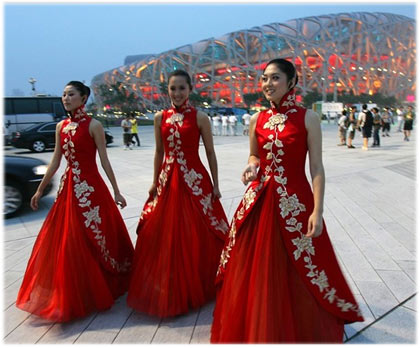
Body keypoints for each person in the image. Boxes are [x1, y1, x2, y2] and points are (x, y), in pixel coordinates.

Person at [211, 59, 364, 343]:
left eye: (275, 78)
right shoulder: (257, 119)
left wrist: (317, 210)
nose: (268, 84)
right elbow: (254, 155)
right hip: (259, 201)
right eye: (265, 78)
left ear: (292, 82)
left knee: (302, 265)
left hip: (296, 202)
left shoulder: (308, 118)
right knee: (257, 266)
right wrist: (252, 166)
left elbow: (316, 168)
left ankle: (301, 323)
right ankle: (261, 323)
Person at [16, 81, 134, 322]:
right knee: (69, 239)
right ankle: (75, 288)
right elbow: (55, 161)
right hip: (68, 189)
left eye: (71, 94)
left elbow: (104, 161)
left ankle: (101, 285)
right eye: (63, 95)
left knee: (96, 236)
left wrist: (117, 191)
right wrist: (39, 190)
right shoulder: (61, 126)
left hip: (92, 190)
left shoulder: (94, 126)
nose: (66, 98)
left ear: (84, 98)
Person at [127, 70, 228, 318]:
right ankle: (167, 284)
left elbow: (211, 153)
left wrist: (215, 184)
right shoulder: (160, 117)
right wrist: (154, 182)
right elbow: (159, 153)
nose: (177, 93)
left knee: (197, 231)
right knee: (164, 232)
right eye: (173, 88)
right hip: (167, 180)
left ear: (190, 89)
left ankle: (202, 281)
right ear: (168, 91)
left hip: (194, 180)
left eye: (182, 88)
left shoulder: (201, 117)